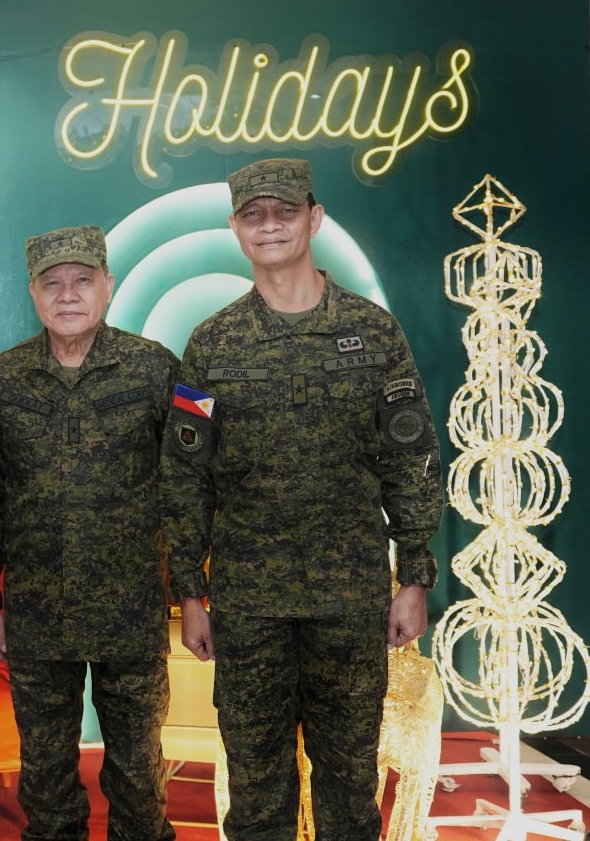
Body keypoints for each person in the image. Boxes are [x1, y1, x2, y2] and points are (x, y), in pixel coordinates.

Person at [160, 158, 442, 839]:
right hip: (248, 602)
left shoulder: (374, 334)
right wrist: (190, 592)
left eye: (284, 212)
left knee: (349, 784)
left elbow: (410, 458)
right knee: (256, 786)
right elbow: (186, 473)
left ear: (313, 219)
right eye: (253, 215)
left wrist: (414, 577)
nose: (269, 226)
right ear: (235, 228)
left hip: (349, 597)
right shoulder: (211, 344)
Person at [0, 225, 178, 841]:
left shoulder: (156, 369)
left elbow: (190, 486)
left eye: (83, 280)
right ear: (33, 293)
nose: (68, 295)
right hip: (37, 613)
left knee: (138, 778)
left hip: (131, 611)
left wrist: (192, 591)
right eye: (52, 283)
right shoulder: (5, 378)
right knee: (46, 780)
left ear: (107, 285)